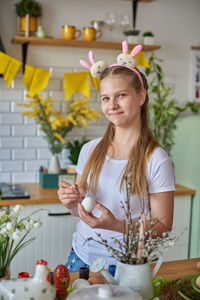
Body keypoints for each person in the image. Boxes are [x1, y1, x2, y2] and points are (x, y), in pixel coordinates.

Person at [58, 42, 175, 272]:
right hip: (79, 259)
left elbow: (163, 225)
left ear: (141, 96)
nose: (112, 105)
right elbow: (83, 210)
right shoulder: (90, 150)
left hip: (124, 268)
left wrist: (117, 225)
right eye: (105, 98)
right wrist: (71, 202)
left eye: (121, 95)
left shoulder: (156, 159)